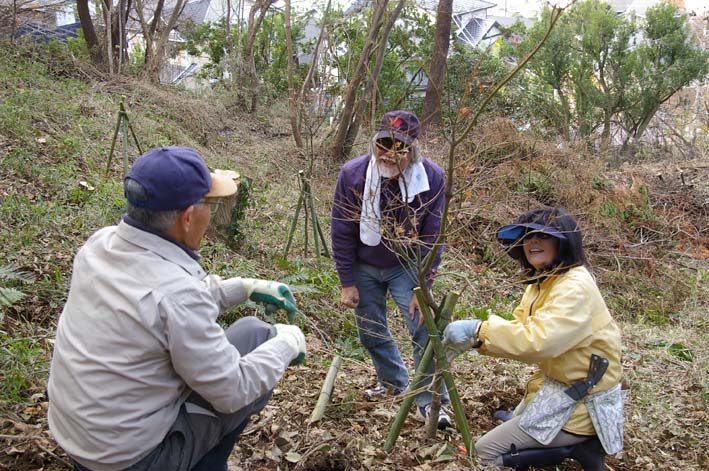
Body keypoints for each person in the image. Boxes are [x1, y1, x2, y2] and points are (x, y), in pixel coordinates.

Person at [47, 146, 307, 471]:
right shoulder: (177, 294)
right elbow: (233, 390)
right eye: (208, 205)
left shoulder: (99, 245)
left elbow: (162, 299)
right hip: (133, 460)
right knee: (256, 336)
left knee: (243, 337)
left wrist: (242, 289)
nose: (210, 216)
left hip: (81, 438)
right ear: (187, 217)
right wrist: (287, 342)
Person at [442, 207, 624, 470]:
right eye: (528, 236)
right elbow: (523, 326)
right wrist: (478, 340)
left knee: (483, 452)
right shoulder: (544, 281)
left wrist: (479, 330)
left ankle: (572, 444)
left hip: (582, 400)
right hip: (559, 387)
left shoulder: (573, 287)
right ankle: (534, 431)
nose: (533, 242)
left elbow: (539, 341)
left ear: (564, 244)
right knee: (516, 423)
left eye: (543, 236)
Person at [331, 110, 451, 428]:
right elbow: (341, 230)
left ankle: (430, 400)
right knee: (370, 331)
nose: (389, 153)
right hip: (363, 264)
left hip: (407, 265)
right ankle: (394, 383)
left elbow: (432, 235)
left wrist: (424, 286)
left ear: (413, 151)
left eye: (400, 147)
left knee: (423, 328)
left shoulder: (432, 179)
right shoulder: (353, 174)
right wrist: (346, 281)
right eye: (383, 144)